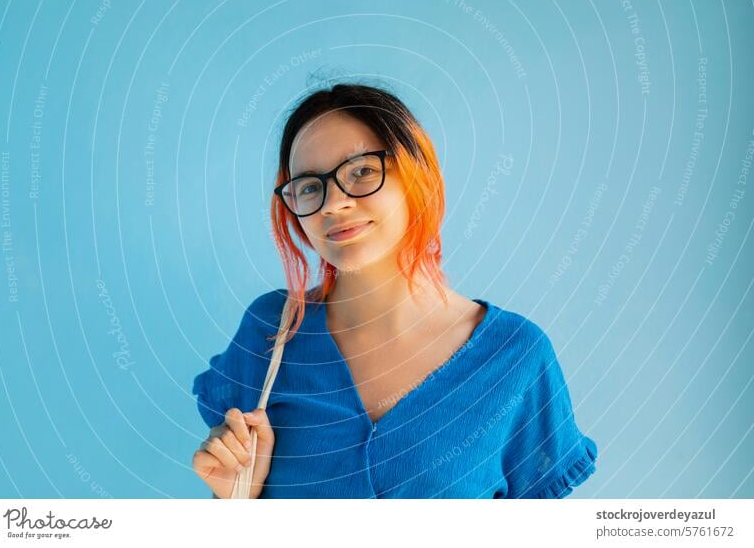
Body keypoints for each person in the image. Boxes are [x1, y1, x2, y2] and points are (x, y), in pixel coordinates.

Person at [191, 80, 598, 498]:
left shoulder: (515, 358)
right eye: (311, 186)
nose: (333, 204)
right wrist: (235, 503)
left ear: (414, 173)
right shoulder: (269, 332)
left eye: (362, 171)